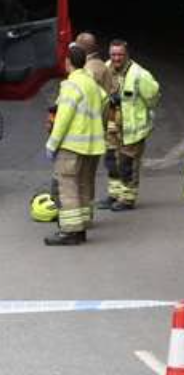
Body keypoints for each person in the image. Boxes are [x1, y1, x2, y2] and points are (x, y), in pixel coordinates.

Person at [44, 44, 105, 245]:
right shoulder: (91, 83)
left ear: (68, 62)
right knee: (84, 185)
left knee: (68, 186)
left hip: (72, 146)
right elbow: (105, 102)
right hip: (92, 146)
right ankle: (82, 226)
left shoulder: (71, 84)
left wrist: (52, 143)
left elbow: (63, 117)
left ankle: (70, 232)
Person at [100, 39, 160, 211]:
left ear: (127, 54)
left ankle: (127, 199)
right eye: (113, 54)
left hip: (132, 131)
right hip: (111, 127)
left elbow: (153, 97)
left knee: (127, 164)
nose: (116, 58)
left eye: (120, 54)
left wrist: (141, 112)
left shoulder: (139, 74)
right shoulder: (106, 68)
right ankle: (114, 194)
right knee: (112, 162)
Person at [73, 32, 114, 227]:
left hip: (86, 131)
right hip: (98, 129)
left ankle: (80, 216)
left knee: (79, 176)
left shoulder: (88, 71)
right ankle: (86, 214)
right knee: (89, 175)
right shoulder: (103, 66)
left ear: (81, 48)